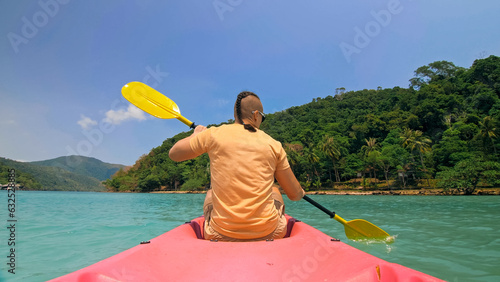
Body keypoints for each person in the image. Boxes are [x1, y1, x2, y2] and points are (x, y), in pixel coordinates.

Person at [169, 91, 305, 241]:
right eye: (262, 117)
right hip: (269, 232)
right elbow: (294, 195)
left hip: (220, 234)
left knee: (210, 194)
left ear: (235, 115)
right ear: (255, 115)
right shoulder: (274, 144)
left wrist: (195, 135)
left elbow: (174, 154)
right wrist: (300, 191)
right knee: (275, 190)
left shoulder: (214, 134)